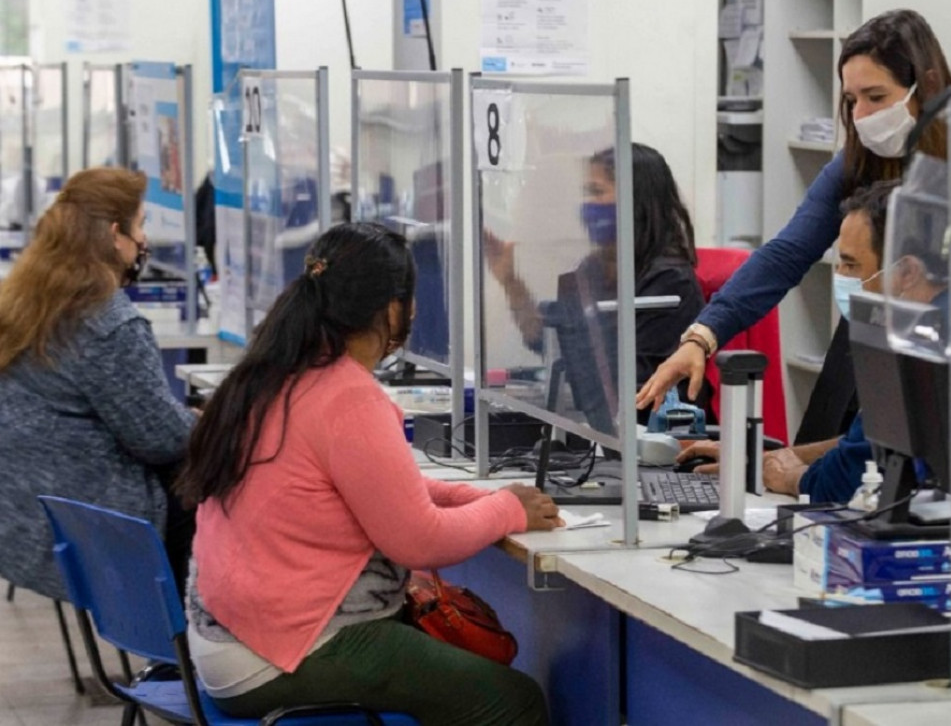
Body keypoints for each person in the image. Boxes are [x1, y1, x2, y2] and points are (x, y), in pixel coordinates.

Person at [175, 223, 557, 725]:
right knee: (514, 700)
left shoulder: (274, 373)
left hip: (228, 639)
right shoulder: (348, 398)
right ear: (393, 307)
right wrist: (508, 508)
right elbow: (419, 543)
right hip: (282, 652)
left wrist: (468, 497)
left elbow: (369, 489)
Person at [637, 8, 951, 414]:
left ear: (926, 86)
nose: (861, 116)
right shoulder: (853, 165)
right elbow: (787, 252)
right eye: (851, 100)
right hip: (871, 336)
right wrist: (702, 336)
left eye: (876, 97)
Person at [0, 167, 196, 601]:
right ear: (114, 234)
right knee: (215, 486)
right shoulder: (108, 323)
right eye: (140, 225)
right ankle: (202, 647)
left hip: (22, 518)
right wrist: (210, 423)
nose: (144, 240)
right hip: (92, 531)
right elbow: (160, 439)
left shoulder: (27, 298)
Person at [677, 180, 895, 502]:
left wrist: (792, 478)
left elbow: (847, 479)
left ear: (904, 270)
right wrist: (774, 460)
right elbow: (868, 442)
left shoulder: (924, 349)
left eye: (851, 264)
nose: (842, 277)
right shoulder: (908, 335)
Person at [487, 142, 708, 414]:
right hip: (599, 430)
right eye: (585, 192)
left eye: (597, 192)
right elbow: (546, 342)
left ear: (634, 200)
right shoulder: (591, 269)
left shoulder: (670, 284)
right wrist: (511, 282)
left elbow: (630, 386)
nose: (587, 204)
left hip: (655, 438)